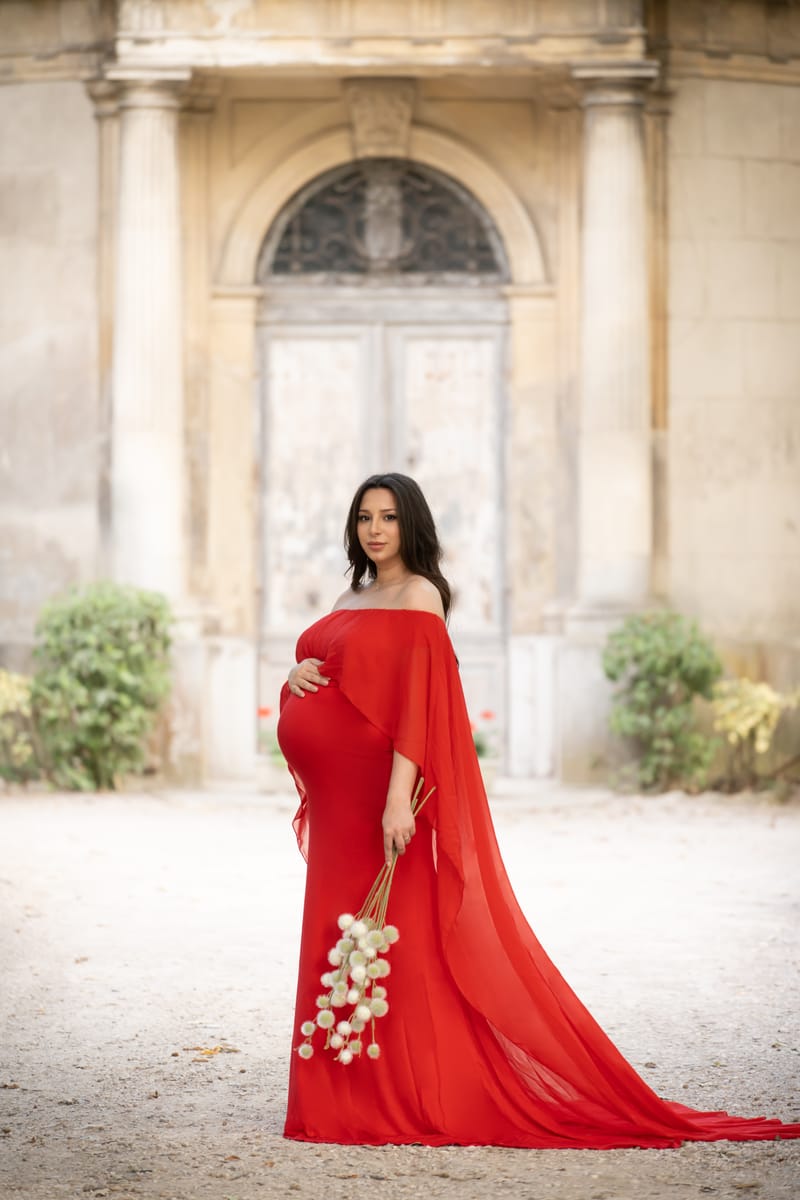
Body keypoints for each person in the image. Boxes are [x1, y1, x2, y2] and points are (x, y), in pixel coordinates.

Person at [276, 472, 800, 1148]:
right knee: (338, 935)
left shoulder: (420, 596)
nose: (375, 530)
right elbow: (333, 669)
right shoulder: (356, 593)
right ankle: (334, 1099)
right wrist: (294, 678)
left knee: (391, 945)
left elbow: (420, 702)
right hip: (338, 809)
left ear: (412, 526)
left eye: (388, 518)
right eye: (365, 518)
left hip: (378, 802)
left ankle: (396, 1097)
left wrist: (398, 798)